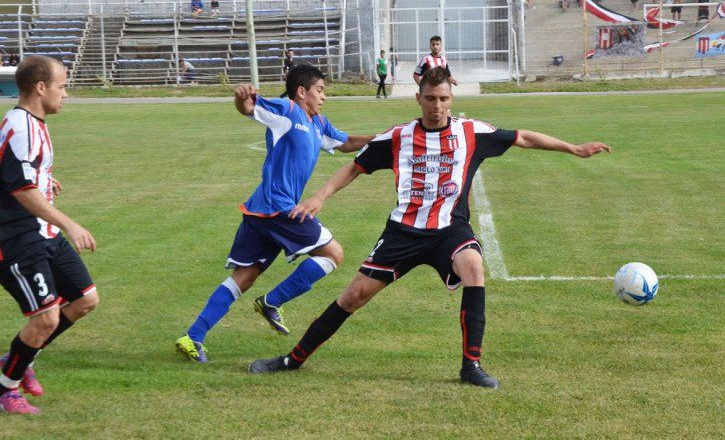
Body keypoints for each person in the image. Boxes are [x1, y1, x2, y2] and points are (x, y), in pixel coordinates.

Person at [248, 67, 612, 388]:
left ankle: (471, 365)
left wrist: (574, 149)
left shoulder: (472, 131)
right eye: (430, 99)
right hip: (403, 232)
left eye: (444, 99)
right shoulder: (399, 136)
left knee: (473, 266)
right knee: (353, 297)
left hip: (450, 230)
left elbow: (524, 137)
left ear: (451, 98)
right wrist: (321, 196)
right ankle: (291, 360)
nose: (437, 106)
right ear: (419, 98)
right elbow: (356, 166)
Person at [175, 65, 375, 363]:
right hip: (278, 208)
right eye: (319, 90)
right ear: (301, 91)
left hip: (260, 211)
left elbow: (346, 144)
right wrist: (242, 100)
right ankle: (273, 301)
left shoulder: (318, 122)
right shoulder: (287, 110)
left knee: (244, 276)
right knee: (333, 254)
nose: (324, 97)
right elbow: (249, 107)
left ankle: (193, 337)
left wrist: (387, 138)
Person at [0, 56, 99, 414]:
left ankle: (17, 358)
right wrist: (70, 224)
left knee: (85, 300)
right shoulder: (22, 125)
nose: (66, 94)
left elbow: (19, 173)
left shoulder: (33, 123)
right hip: (16, 235)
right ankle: (6, 388)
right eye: (61, 86)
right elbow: (22, 189)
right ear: (40, 87)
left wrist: (44, 181)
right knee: (45, 318)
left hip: (42, 229)